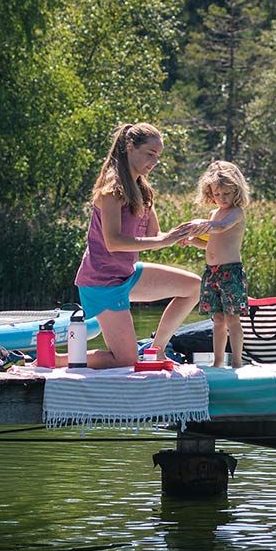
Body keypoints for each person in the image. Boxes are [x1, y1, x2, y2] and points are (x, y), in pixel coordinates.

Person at [73, 123, 209, 369]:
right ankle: (54, 359)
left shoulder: (143, 190)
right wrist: (162, 241)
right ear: (129, 147)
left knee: (194, 287)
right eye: (150, 153)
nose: (154, 161)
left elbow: (154, 234)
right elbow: (113, 242)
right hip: (102, 282)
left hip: (127, 274)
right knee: (126, 360)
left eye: (158, 156)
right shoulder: (111, 189)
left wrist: (186, 234)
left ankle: (156, 349)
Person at [185, 161, 250, 367]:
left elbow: (221, 228)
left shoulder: (236, 213)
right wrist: (191, 239)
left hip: (230, 273)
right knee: (218, 320)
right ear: (210, 193)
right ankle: (218, 362)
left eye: (226, 194)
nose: (221, 198)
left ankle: (238, 362)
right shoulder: (213, 214)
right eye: (217, 194)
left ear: (236, 192)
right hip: (211, 273)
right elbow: (210, 244)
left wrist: (201, 225)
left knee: (233, 319)